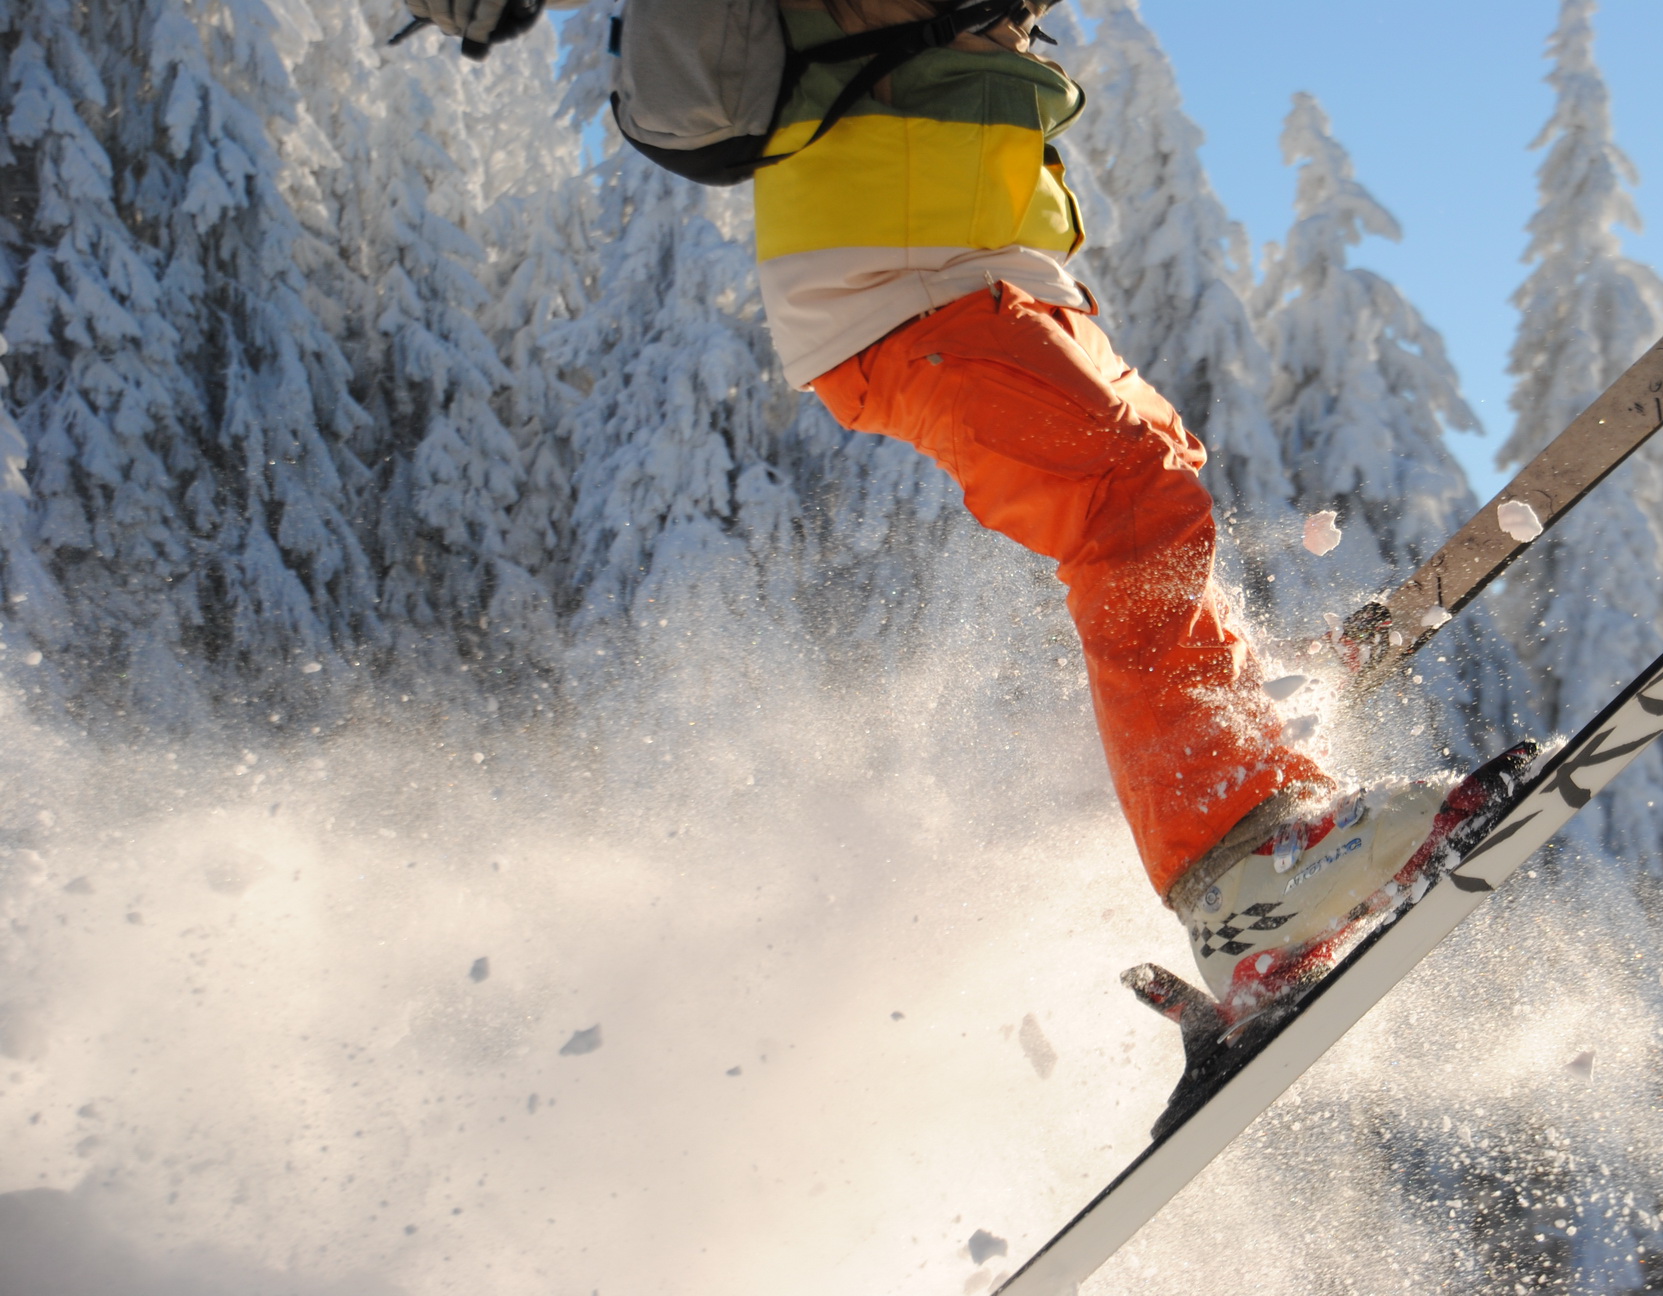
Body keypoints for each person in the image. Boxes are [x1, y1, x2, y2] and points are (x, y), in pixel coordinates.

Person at [407, 0, 1484, 1014]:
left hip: (979, 268)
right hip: (899, 271)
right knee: (1118, 495)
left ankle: (1246, 745)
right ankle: (1243, 873)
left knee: (1151, 475)